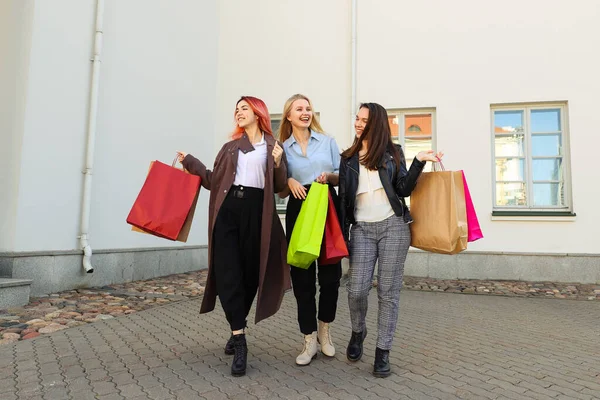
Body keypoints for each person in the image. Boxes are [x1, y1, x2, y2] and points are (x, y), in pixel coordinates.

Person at [176, 96, 290, 377]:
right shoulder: (230, 148)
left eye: (244, 108)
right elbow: (215, 180)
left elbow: (280, 188)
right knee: (227, 274)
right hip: (228, 213)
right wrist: (190, 162)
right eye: (236, 109)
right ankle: (240, 340)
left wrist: (278, 164)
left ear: (258, 113)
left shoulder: (273, 147)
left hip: (258, 214)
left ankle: (236, 325)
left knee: (251, 276)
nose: (238, 113)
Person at [338, 102, 443, 378]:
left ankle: (382, 352)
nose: (358, 124)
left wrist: (419, 161)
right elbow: (344, 198)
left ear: (377, 124)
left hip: (393, 228)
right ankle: (358, 331)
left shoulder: (393, 154)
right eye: (357, 119)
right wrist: (342, 230)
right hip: (361, 229)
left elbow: (403, 188)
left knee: (388, 292)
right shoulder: (348, 158)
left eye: (364, 120)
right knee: (357, 289)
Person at [277, 94, 343, 366]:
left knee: (330, 277)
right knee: (302, 279)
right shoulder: (282, 148)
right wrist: (289, 178)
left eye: (308, 108)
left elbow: (343, 175)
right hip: (299, 207)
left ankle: (325, 330)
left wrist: (328, 177)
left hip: (326, 206)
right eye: (299, 109)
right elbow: (279, 188)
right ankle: (309, 339)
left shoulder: (327, 141)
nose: (305, 112)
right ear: (289, 116)